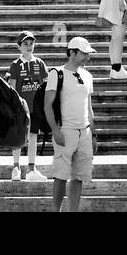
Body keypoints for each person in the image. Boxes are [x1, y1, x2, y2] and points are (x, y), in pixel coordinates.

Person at [42, 37, 96, 211]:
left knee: (79, 176)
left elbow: (89, 107)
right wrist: (55, 130)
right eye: (83, 53)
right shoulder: (56, 73)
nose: (87, 57)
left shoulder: (88, 75)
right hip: (65, 129)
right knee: (61, 175)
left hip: (85, 131)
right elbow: (47, 105)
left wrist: (93, 134)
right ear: (72, 52)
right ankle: (55, 209)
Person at [8, 32, 48, 181]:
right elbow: (12, 88)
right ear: (19, 46)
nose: (29, 46)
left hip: (36, 107)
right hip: (21, 108)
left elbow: (46, 84)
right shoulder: (15, 65)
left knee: (33, 136)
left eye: (31, 43)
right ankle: (16, 167)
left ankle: (32, 168)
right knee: (19, 137)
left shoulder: (40, 63)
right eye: (25, 44)